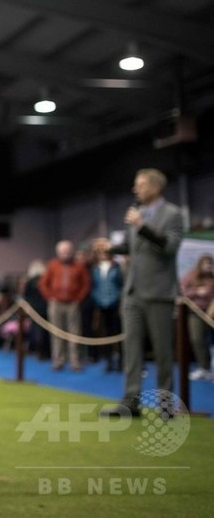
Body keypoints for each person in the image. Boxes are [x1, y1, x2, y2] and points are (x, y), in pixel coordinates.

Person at [101, 168, 185, 418]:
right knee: (132, 352)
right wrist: (111, 248)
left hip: (159, 293)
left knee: (163, 353)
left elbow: (169, 247)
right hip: (133, 292)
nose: (135, 189)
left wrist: (142, 225)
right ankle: (130, 402)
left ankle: (166, 405)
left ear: (156, 187)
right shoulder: (136, 215)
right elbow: (130, 247)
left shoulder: (173, 214)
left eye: (140, 184)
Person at [39, 239, 91, 371]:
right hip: (56, 304)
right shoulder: (52, 265)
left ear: (71, 252)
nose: (65, 254)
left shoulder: (79, 266)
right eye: (63, 252)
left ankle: (75, 361)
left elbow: (86, 285)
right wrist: (50, 297)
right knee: (57, 333)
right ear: (58, 253)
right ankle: (58, 361)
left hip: (72, 304)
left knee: (74, 333)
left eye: (67, 251)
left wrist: (78, 298)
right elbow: (43, 283)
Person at [89, 238, 123, 372]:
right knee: (105, 334)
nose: (103, 254)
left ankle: (120, 361)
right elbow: (94, 286)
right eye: (100, 252)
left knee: (117, 333)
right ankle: (109, 361)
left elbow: (120, 285)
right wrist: (97, 300)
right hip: (101, 305)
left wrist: (118, 301)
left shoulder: (116, 267)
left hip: (115, 303)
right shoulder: (94, 268)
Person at [180, 253, 214, 381]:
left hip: (210, 314)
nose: (208, 267)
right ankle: (203, 367)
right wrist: (197, 292)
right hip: (195, 312)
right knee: (197, 339)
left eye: (210, 264)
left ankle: (208, 367)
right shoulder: (191, 276)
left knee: (208, 341)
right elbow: (182, 290)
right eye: (206, 264)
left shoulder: (212, 279)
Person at [22, 259, 50, 360]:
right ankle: (44, 352)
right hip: (43, 308)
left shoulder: (30, 281)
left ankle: (38, 351)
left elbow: (26, 296)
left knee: (37, 331)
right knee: (44, 331)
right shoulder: (45, 280)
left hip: (35, 310)